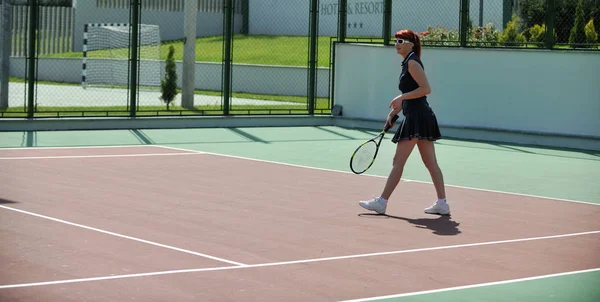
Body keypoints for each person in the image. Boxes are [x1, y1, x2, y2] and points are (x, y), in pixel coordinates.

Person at [359, 29, 449, 216]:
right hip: (421, 115)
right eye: (395, 41)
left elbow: (426, 89)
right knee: (431, 162)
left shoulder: (413, 63)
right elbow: (413, 94)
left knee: (398, 161)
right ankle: (442, 203)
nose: (397, 44)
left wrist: (401, 97)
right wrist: (395, 111)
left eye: (401, 41)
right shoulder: (408, 62)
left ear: (411, 44)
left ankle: (381, 202)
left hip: (418, 117)